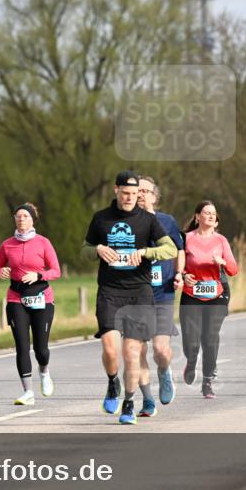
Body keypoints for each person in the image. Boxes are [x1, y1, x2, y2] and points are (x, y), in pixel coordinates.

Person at [81, 171, 178, 425]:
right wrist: (98, 250)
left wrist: (145, 252)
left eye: (135, 194)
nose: (130, 198)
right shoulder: (101, 218)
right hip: (110, 292)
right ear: (116, 190)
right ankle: (113, 382)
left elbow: (169, 248)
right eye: (125, 193)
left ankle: (129, 403)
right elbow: (84, 250)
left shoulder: (147, 220)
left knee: (132, 353)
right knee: (110, 350)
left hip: (139, 293)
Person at [0, 203, 61, 405]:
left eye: (25, 216)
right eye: (18, 216)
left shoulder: (43, 243)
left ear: (32, 220)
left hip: (42, 297)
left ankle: (45, 371)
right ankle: (28, 392)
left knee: (41, 348)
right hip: (16, 297)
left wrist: (38, 274)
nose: (21, 219)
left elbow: (56, 271)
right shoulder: (7, 245)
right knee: (22, 346)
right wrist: (0, 272)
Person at [177, 201, 239, 399]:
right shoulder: (186, 239)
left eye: (214, 213)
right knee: (191, 341)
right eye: (206, 213)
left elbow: (233, 269)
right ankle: (192, 360)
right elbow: (176, 265)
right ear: (197, 217)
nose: (211, 216)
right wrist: (184, 274)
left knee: (210, 338)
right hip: (191, 294)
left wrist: (223, 262)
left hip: (216, 294)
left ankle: (207, 381)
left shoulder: (221, 241)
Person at [136, 176, 184, 414]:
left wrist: (179, 273)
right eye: (138, 191)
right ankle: (147, 400)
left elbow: (179, 249)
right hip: (135, 293)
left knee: (161, 350)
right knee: (138, 351)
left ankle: (164, 372)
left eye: (146, 191)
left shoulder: (167, 221)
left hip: (162, 292)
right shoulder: (126, 223)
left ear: (154, 196)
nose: (141, 194)